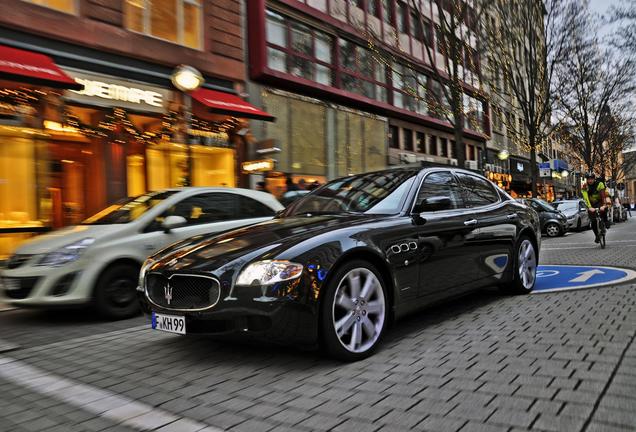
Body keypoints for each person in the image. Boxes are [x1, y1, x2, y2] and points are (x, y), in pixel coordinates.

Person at [581, 172, 608, 243]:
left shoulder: (600, 184)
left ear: (594, 179)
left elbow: (603, 196)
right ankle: (597, 236)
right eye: (588, 179)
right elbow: (586, 198)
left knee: (604, 210)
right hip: (591, 204)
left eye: (592, 179)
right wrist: (589, 207)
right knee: (593, 222)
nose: (590, 181)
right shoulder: (584, 186)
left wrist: (604, 205)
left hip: (600, 201)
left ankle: (606, 221)